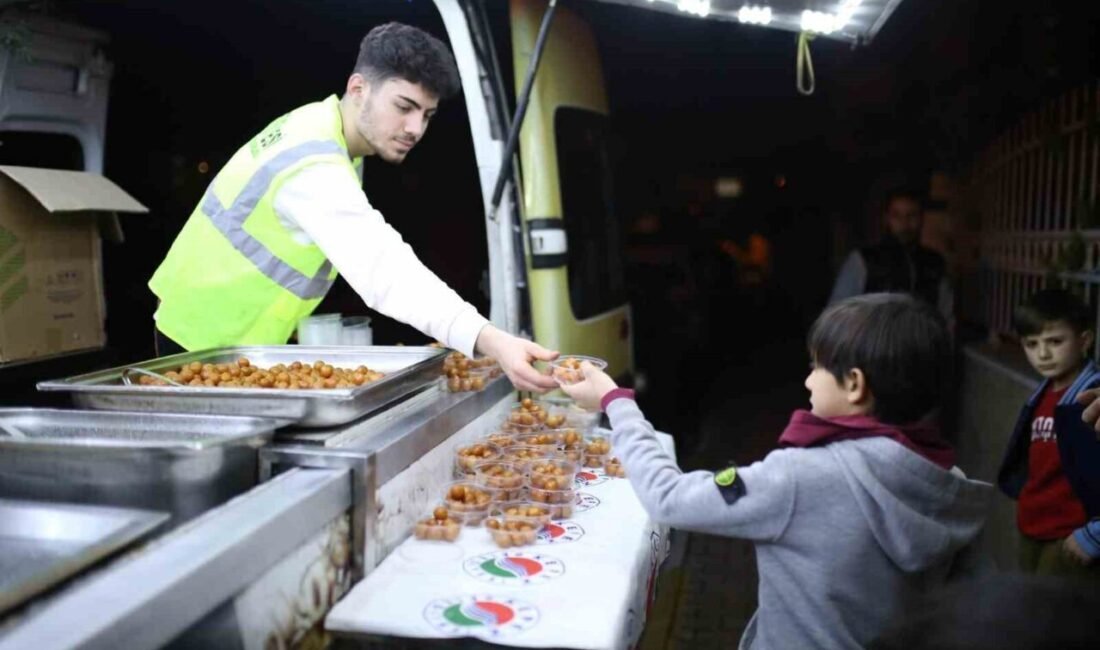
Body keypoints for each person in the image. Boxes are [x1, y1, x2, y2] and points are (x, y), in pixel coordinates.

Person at [560, 293, 992, 650]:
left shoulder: (802, 477)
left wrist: (616, 402)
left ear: (855, 384)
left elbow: (669, 497)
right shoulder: (943, 483)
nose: (807, 381)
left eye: (817, 367)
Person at [147, 23, 557, 391]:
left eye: (427, 115)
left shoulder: (323, 131)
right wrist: (491, 339)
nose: (416, 129)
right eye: (404, 107)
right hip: (201, 346)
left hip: (229, 340)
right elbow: (384, 269)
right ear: (359, 88)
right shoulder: (314, 163)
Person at [997, 288, 1100, 574]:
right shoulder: (1042, 394)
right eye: (1031, 344)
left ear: (1085, 341)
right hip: (1033, 525)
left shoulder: (1091, 397)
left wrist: (1093, 535)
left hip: (1071, 536)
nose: (1042, 354)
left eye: (1055, 341)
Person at [828, 188, 954, 328]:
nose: (905, 223)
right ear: (887, 218)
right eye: (897, 216)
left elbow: (946, 316)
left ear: (921, 218)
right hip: (876, 341)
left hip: (923, 340)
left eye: (912, 215)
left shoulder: (934, 264)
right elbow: (837, 313)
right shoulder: (863, 260)